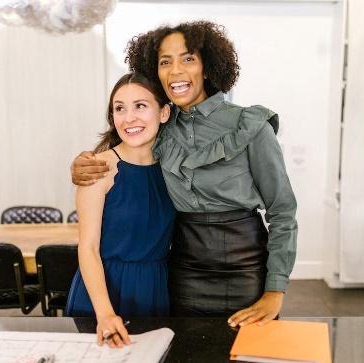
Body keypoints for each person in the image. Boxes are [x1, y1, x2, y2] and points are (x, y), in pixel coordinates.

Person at [71, 20, 297, 328]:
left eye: (188, 58)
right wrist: (83, 164)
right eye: (165, 61)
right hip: (182, 269)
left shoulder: (249, 125)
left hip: (245, 267)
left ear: (207, 67)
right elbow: (125, 147)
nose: (175, 70)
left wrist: (275, 290)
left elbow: (283, 211)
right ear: (156, 71)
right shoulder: (160, 122)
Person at [65, 73, 176, 348]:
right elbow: (87, 248)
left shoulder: (174, 169)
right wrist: (105, 313)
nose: (129, 118)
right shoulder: (100, 168)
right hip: (103, 293)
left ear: (163, 112)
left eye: (140, 106)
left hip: (155, 288)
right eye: (119, 108)